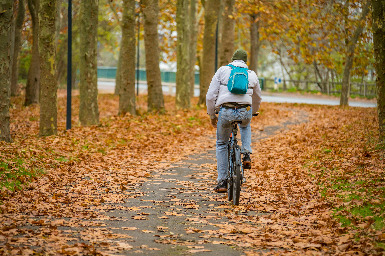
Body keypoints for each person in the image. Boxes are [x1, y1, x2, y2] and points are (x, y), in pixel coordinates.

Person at [206, 49, 262, 193]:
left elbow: (210, 96)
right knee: (245, 125)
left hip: (226, 111)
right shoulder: (252, 74)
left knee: (221, 144)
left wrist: (212, 115)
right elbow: (257, 98)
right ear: (245, 61)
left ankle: (223, 182)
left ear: (232, 59)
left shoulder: (223, 70)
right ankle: (247, 153)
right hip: (245, 111)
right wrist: (253, 112)